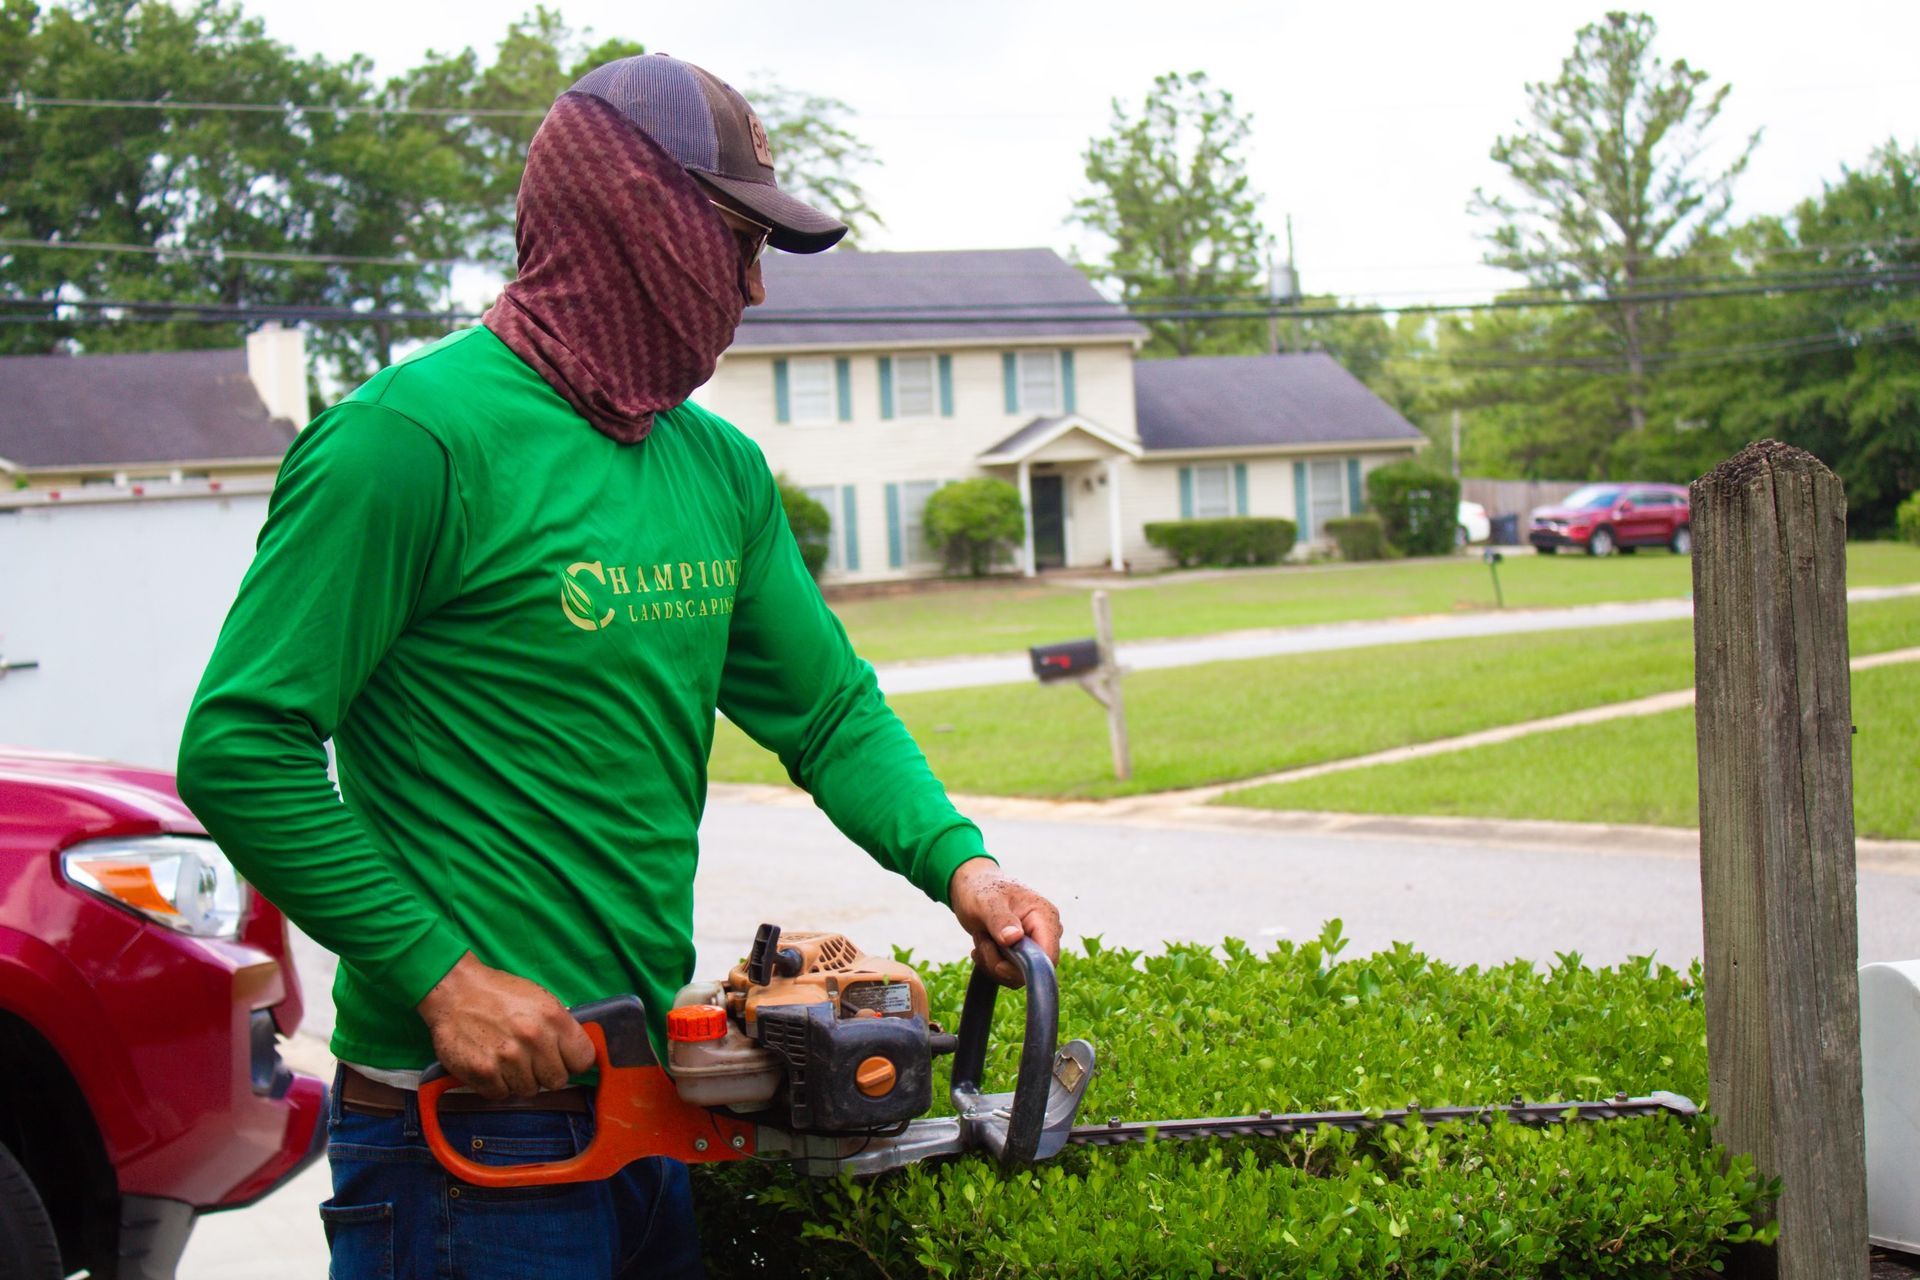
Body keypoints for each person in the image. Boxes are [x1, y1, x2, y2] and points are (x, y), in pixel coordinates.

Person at [176, 52, 1062, 1280]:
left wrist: (963, 866)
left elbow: (828, 708)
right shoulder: (406, 443)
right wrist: (443, 974)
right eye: (736, 242)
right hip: (465, 1137)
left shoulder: (716, 469)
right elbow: (241, 742)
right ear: (637, 226)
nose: (752, 289)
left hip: (648, 1107)